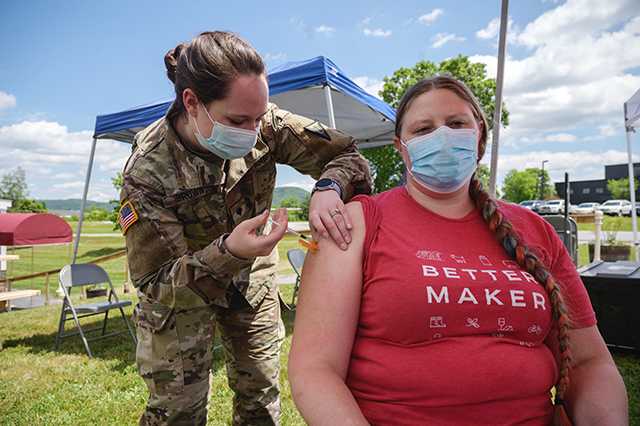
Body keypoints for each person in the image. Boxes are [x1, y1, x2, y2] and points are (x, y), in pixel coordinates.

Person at [288, 76, 628, 425]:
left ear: (479, 135)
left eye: (456, 123)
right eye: (423, 129)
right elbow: (315, 371)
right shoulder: (354, 224)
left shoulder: (534, 230)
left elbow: (590, 363)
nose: (442, 136)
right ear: (400, 147)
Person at [119, 31, 372, 426]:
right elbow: (155, 282)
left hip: (250, 286)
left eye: (258, 117)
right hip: (180, 302)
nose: (254, 131)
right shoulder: (149, 169)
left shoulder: (265, 120)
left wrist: (329, 186)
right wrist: (230, 252)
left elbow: (347, 154)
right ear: (191, 102)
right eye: (238, 120)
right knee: (176, 413)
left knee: (260, 403)